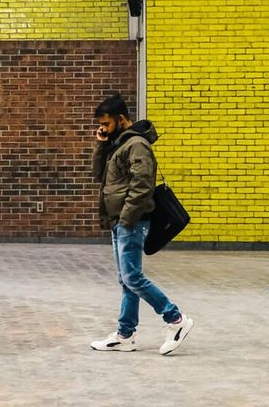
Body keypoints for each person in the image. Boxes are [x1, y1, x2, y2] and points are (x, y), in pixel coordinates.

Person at [89, 92, 193, 355]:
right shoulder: (117, 144)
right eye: (100, 124)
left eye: (106, 124)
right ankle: (125, 335)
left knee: (133, 277)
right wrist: (101, 144)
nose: (102, 128)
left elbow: (142, 185)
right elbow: (98, 175)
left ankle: (176, 320)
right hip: (120, 221)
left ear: (122, 119)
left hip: (132, 221)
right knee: (127, 280)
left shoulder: (136, 145)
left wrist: (127, 218)